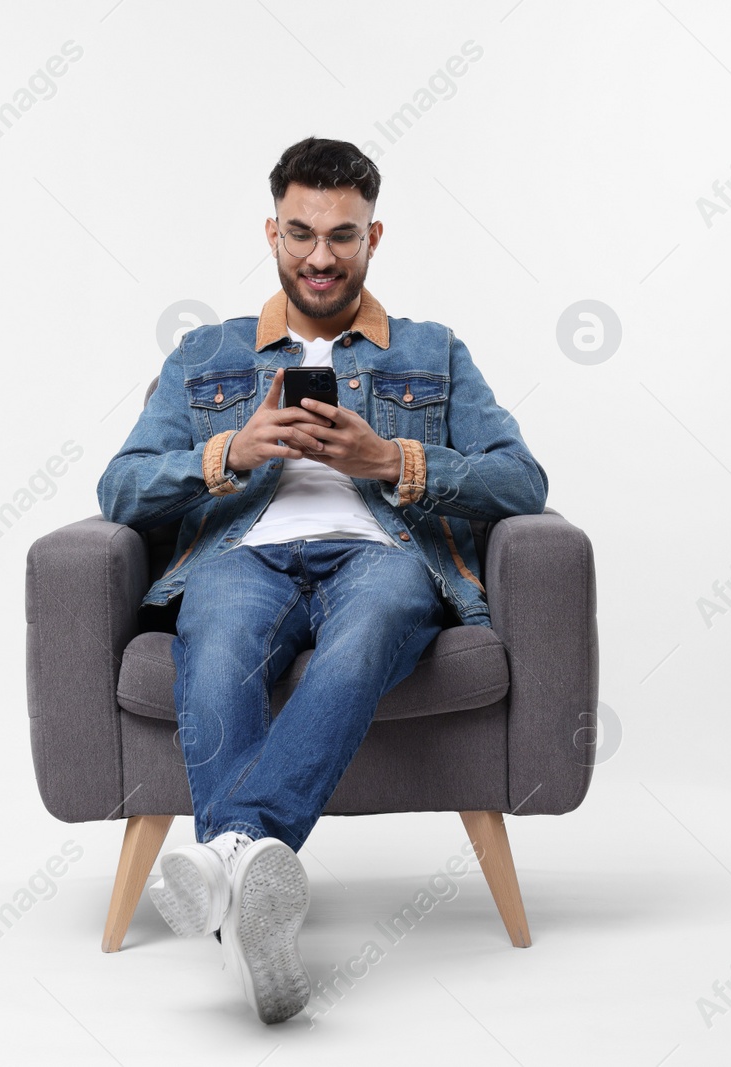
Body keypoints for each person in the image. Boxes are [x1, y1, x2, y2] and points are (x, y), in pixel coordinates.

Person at [95, 136, 548, 1024]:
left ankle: (231, 853)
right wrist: (228, 452)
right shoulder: (207, 352)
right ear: (271, 231)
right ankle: (256, 914)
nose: (319, 256)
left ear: (376, 237)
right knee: (216, 639)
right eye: (300, 232)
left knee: (371, 630)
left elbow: (521, 480)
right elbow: (119, 488)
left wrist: (394, 458)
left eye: (342, 236)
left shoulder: (433, 350)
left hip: (382, 555)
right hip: (239, 555)